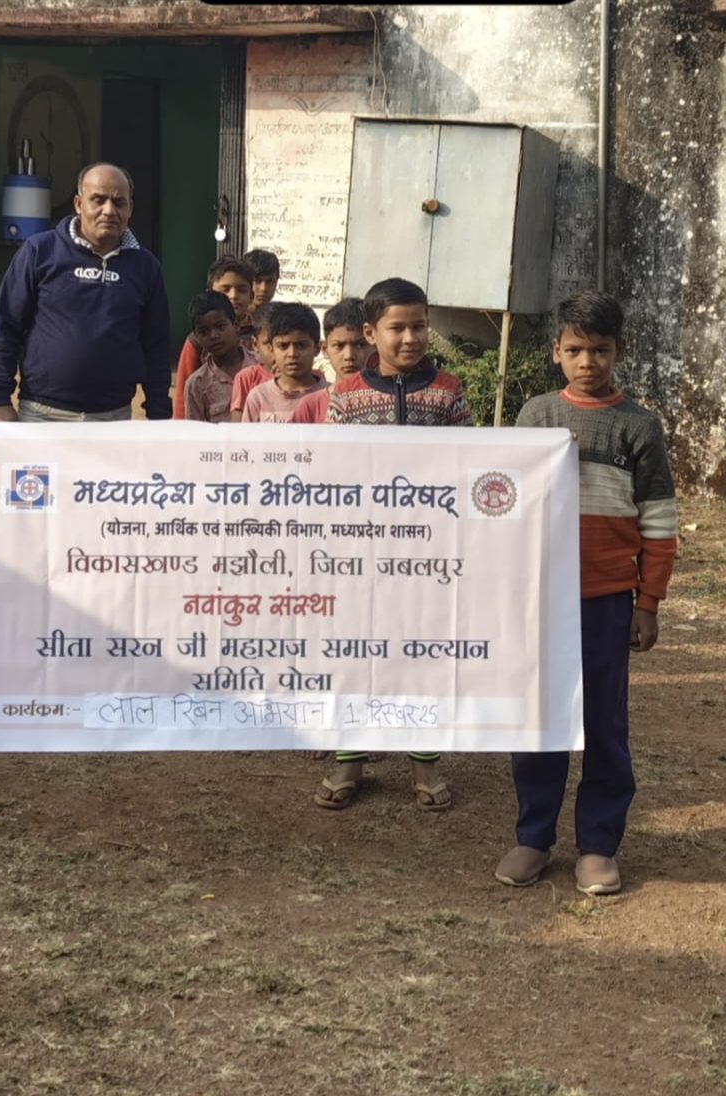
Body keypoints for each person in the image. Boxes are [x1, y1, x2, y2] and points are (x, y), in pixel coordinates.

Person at [494, 291, 677, 895]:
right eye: (575, 350)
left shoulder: (639, 427)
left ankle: (598, 845)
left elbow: (658, 521)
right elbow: (508, 504)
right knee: (539, 716)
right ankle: (533, 836)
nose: (587, 362)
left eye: (600, 350)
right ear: (556, 352)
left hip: (606, 598)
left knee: (604, 722)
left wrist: (648, 603)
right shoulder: (536, 416)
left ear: (619, 351)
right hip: (540, 598)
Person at [314, 277, 471, 812]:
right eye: (396, 328)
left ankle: (425, 762)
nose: (410, 338)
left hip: (428, 551)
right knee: (355, 650)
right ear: (370, 333)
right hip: (361, 551)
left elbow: (469, 460)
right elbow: (332, 470)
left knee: (423, 651)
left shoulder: (447, 390)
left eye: (419, 326)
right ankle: (349, 758)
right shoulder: (345, 395)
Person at [0, 162, 171, 423]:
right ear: (78, 204)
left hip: (112, 419)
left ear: (130, 209)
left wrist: (158, 414)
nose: (109, 210)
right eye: (98, 200)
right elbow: (6, 328)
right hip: (42, 416)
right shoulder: (40, 252)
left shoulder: (146, 268)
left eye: (119, 202)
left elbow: (156, 345)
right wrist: (0, 400)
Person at [171, 256, 256, 418]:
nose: (233, 296)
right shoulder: (196, 342)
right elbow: (184, 397)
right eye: (225, 290)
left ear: (251, 295)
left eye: (241, 290)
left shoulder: (261, 335)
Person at [182, 291, 261, 423]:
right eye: (204, 331)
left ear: (236, 326)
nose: (213, 336)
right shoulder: (197, 384)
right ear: (196, 336)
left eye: (220, 327)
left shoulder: (261, 366)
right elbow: (195, 430)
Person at [290, 297, 372, 424]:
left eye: (360, 345)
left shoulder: (389, 401)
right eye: (339, 346)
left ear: (374, 345)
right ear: (325, 349)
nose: (349, 356)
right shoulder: (311, 406)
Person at [242, 303, 328, 423]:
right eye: (283, 346)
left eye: (301, 345)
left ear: (317, 348)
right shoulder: (259, 398)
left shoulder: (332, 396)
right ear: (272, 349)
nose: (292, 354)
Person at [229, 302, 279, 423]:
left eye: (282, 344)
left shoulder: (311, 378)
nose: (276, 351)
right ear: (255, 344)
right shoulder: (246, 378)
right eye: (268, 344)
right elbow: (237, 426)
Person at [243, 247, 280, 313]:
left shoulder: (280, 317)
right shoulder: (228, 316)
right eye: (257, 281)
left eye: (269, 281)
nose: (263, 288)